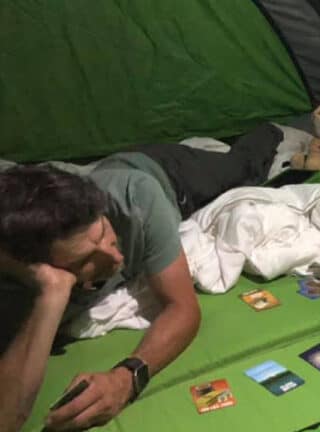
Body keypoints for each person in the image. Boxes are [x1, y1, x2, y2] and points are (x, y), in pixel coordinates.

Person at [0, 123, 281, 431]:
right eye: (85, 260)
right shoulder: (19, 280)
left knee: (242, 169)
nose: (115, 258)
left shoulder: (135, 198)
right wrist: (52, 294)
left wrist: (126, 378)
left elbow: (183, 308)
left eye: (105, 234)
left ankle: (270, 130)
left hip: (166, 174)